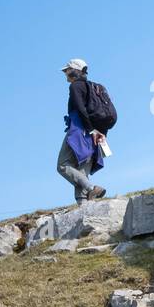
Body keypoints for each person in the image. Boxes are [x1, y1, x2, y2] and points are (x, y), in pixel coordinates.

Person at [59, 58, 107, 203]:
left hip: (80, 130)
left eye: (67, 70)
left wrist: (90, 130)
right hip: (94, 132)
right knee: (81, 171)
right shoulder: (92, 87)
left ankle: (91, 188)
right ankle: (85, 207)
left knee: (62, 165)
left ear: (75, 70)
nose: (65, 73)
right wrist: (97, 132)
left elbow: (80, 109)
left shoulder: (75, 86)